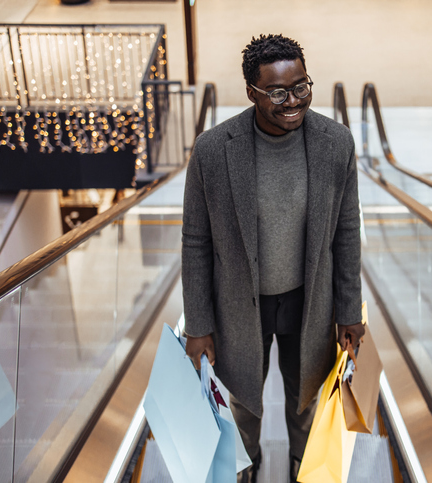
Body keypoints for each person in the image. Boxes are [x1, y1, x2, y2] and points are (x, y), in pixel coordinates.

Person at [182, 33, 364, 483]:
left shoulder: (335, 144)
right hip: (239, 306)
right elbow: (195, 241)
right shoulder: (213, 151)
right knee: (242, 398)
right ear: (251, 92)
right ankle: (245, 468)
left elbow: (346, 232)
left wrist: (349, 310)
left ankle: (307, 466)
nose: (293, 101)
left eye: (301, 87)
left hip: (309, 302)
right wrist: (198, 324)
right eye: (278, 92)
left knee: (307, 398)